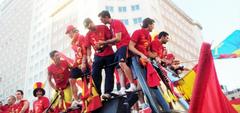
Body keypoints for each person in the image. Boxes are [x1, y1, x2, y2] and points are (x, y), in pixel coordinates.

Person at [129, 18, 171, 112]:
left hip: (145, 61)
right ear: (149, 24)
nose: (153, 27)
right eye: (153, 24)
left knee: (151, 84)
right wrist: (141, 54)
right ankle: (151, 108)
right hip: (136, 59)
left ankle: (164, 108)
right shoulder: (137, 32)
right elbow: (130, 46)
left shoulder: (149, 36)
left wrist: (155, 56)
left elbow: (147, 51)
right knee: (145, 85)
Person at [98, 10, 136, 94]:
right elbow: (114, 42)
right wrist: (103, 46)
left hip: (124, 45)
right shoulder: (111, 26)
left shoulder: (116, 22)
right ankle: (122, 88)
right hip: (119, 47)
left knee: (122, 63)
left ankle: (132, 85)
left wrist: (104, 42)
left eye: (101, 19)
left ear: (106, 17)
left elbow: (118, 38)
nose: (101, 21)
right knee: (118, 68)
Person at [83, 18, 115, 98]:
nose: (89, 29)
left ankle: (108, 92)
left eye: (90, 26)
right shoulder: (88, 34)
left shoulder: (103, 27)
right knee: (94, 73)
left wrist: (103, 44)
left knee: (109, 73)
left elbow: (111, 39)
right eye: (88, 28)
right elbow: (88, 48)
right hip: (98, 56)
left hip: (109, 54)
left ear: (92, 22)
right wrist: (88, 57)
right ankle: (97, 93)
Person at [65, 25, 88, 101]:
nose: (68, 35)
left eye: (68, 33)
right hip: (77, 64)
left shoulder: (81, 37)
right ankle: (76, 100)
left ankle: (88, 97)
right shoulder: (72, 42)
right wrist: (73, 64)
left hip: (85, 63)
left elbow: (84, 51)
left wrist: (84, 63)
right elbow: (77, 55)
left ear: (72, 31)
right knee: (71, 79)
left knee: (85, 81)